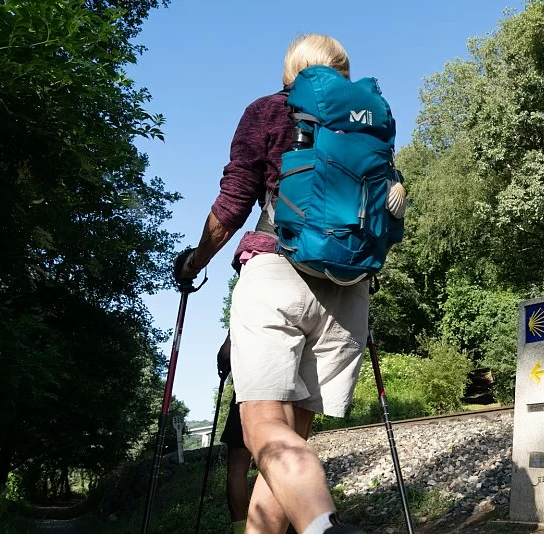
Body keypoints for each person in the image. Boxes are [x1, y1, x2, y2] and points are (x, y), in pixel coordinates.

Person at [176, 34, 367, 534]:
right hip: (347, 291)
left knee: (263, 431)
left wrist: (197, 260)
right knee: (287, 446)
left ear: (289, 72)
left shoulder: (267, 111)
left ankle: (324, 528)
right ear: (341, 73)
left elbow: (236, 196)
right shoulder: (366, 123)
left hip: (278, 273)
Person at [216, 333, 254, 534]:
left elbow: (226, 355)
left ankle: (241, 530)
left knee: (237, 470)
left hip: (249, 392)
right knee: (278, 463)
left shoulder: (245, 303)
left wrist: (223, 362)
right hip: (290, 388)